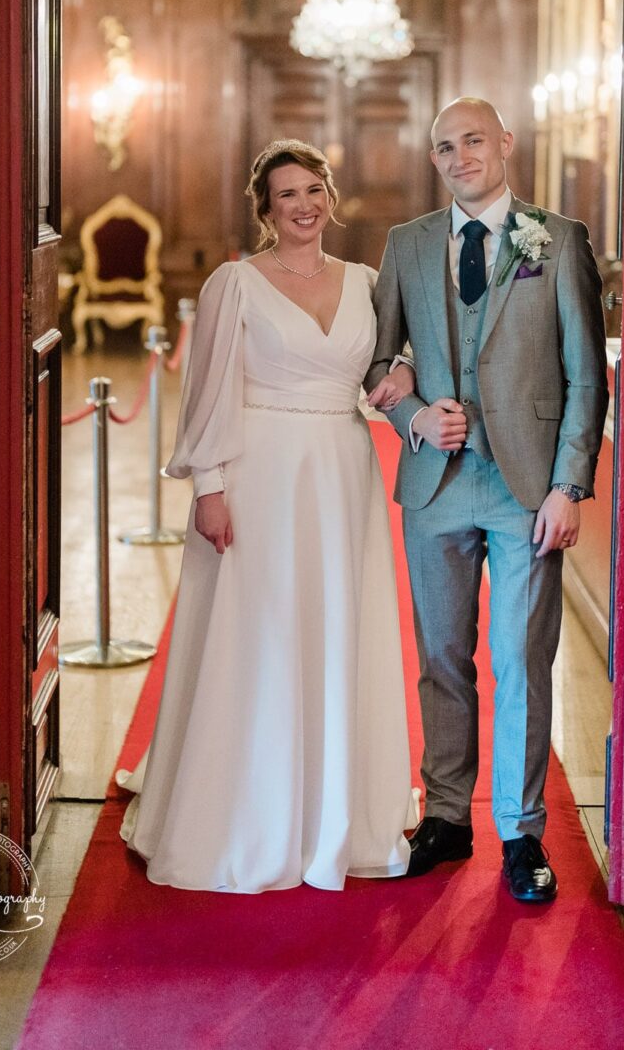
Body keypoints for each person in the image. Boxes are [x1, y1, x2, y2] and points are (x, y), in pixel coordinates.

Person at [116, 138, 417, 893]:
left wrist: (405, 370)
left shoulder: (366, 281)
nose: (304, 205)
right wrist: (209, 486)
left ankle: (336, 805)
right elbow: (209, 390)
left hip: (341, 473)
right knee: (261, 636)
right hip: (259, 474)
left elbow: (384, 366)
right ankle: (248, 808)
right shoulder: (235, 284)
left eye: (314, 189)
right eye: (287, 195)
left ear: (330, 196)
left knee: (334, 630)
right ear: (266, 209)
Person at [367, 97, 609, 904]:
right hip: (435, 485)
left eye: (473, 140)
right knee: (440, 658)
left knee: (520, 658)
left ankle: (521, 831)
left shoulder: (558, 239)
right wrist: (409, 413)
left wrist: (569, 485)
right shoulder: (405, 245)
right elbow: (377, 365)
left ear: (505, 143)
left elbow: (586, 375)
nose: (460, 156)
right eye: (444, 147)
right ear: (433, 160)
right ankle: (444, 816)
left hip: (526, 486)